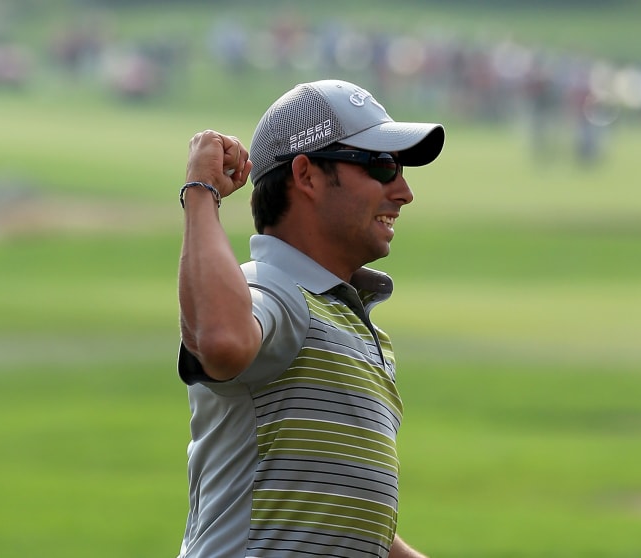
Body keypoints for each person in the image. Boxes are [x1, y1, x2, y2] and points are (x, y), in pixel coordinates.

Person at [176, 79, 445, 558]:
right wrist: (201, 192)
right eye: (383, 166)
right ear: (307, 175)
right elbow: (220, 340)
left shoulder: (354, 324)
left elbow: (340, 512)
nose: (403, 192)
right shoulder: (275, 289)